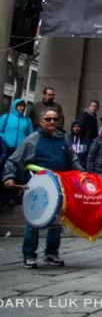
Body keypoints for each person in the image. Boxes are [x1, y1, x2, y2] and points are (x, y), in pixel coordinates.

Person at [3, 107, 83, 268]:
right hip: (37, 185)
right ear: (41, 121)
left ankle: (51, 253)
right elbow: (13, 160)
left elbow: (73, 160)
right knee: (34, 221)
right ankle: (29, 255)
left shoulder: (64, 139)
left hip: (60, 184)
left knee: (56, 222)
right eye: (48, 119)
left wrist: (82, 174)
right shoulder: (32, 140)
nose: (52, 121)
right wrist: (9, 177)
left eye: (55, 119)